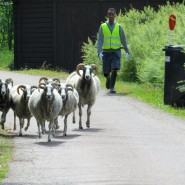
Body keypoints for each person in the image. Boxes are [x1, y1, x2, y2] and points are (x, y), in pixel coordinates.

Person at [97, 8, 130, 93]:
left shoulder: (119, 27)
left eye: (112, 14)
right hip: (106, 52)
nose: (111, 16)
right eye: (109, 14)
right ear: (107, 15)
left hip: (116, 51)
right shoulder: (103, 26)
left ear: (115, 15)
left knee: (115, 68)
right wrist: (99, 52)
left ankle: (112, 87)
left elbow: (123, 40)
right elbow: (100, 40)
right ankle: (108, 78)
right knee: (105, 72)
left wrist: (127, 51)